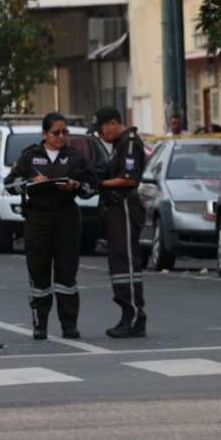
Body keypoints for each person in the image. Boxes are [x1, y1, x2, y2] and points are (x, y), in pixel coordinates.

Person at [4, 113, 96, 340]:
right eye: (56, 133)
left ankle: (69, 325)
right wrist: (29, 182)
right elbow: (9, 184)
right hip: (38, 219)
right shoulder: (29, 156)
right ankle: (40, 323)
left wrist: (76, 186)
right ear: (44, 134)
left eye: (65, 132)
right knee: (39, 272)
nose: (61, 137)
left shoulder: (75, 157)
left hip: (67, 219)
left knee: (66, 273)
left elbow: (92, 187)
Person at [90, 106, 148, 338]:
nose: (99, 135)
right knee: (118, 261)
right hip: (115, 208)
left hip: (124, 205)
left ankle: (135, 317)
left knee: (126, 261)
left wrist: (102, 184)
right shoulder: (118, 145)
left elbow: (129, 179)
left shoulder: (130, 142)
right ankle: (127, 314)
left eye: (101, 129)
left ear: (113, 123)